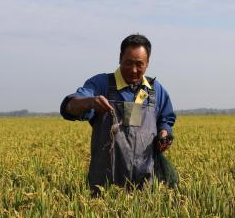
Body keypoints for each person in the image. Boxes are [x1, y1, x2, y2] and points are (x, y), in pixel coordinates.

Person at [60, 34, 176, 192]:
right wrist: (89, 102)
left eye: (139, 64)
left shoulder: (155, 90)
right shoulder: (102, 84)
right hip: (105, 186)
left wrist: (164, 133)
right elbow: (69, 107)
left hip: (145, 184)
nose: (133, 70)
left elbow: (165, 119)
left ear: (147, 64)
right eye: (128, 62)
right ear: (120, 58)